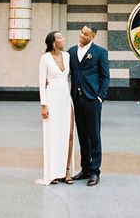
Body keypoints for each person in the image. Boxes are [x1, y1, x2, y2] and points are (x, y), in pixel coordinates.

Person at [69, 25, 110, 187]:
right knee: (82, 135)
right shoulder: (71, 51)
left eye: (85, 34)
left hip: (92, 99)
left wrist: (100, 97)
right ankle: (85, 168)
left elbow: (105, 77)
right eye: (81, 32)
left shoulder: (100, 52)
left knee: (94, 136)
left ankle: (95, 171)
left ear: (92, 36)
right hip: (76, 99)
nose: (82, 35)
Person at [36, 31, 74, 185]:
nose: (63, 39)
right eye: (60, 38)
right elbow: (41, 83)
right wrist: (43, 105)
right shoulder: (45, 58)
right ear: (53, 42)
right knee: (54, 135)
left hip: (66, 98)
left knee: (69, 134)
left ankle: (66, 171)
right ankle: (53, 172)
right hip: (51, 99)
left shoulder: (67, 56)